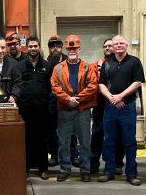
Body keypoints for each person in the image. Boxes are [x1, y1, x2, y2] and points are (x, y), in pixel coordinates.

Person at [97, 35, 145, 185]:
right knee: (109, 140)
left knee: (129, 141)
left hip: (127, 107)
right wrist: (111, 98)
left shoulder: (134, 62)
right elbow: (101, 84)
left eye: (121, 43)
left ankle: (131, 174)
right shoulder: (107, 64)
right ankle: (109, 171)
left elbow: (138, 82)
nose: (118, 46)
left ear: (126, 46)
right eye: (115, 44)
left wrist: (120, 96)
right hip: (110, 107)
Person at [51, 34, 98, 182]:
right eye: (70, 48)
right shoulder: (57, 68)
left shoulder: (87, 67)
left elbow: (93, 85)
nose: (72, 50)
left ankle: (85, 169)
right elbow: (55, 86)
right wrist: (67, 99)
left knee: (85, 141)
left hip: (82, 110)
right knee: (63, 141)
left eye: (75, 48)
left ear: (79, 49)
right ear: (66, 48)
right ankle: (65, 169)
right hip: (65, 109)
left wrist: (78, 99)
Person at [18, 36, 51, 180]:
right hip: (24, 109)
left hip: (42, 109)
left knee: (43, 139)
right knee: (25, 139)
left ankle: (43, 169)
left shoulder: (46, 65)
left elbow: (52, 87)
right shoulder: (19, 66)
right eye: (30, 46)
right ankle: (24, 169)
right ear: (26, 48)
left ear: (39, 47)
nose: (33, 49)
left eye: (35, 46)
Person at [90, 38, 124, 174]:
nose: (107, 48)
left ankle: (117, 163)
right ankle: (93, 162)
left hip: (118, 103)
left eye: (110, 45)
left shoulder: (123, 64)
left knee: (118, 134)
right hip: (100, 104)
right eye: (105, 46)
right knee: (97, 133)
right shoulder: (95, 65)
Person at [46, 35, 67, 166]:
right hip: (52, 100)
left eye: (58, 46)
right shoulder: (46, 63)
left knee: (69, 129)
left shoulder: (68, 60)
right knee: (52, 129)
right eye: (52, 46)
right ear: (49, 48)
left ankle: (72, 155)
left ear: (61, 47)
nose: (55, 48)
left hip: (67, 99)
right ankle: (54, 154)